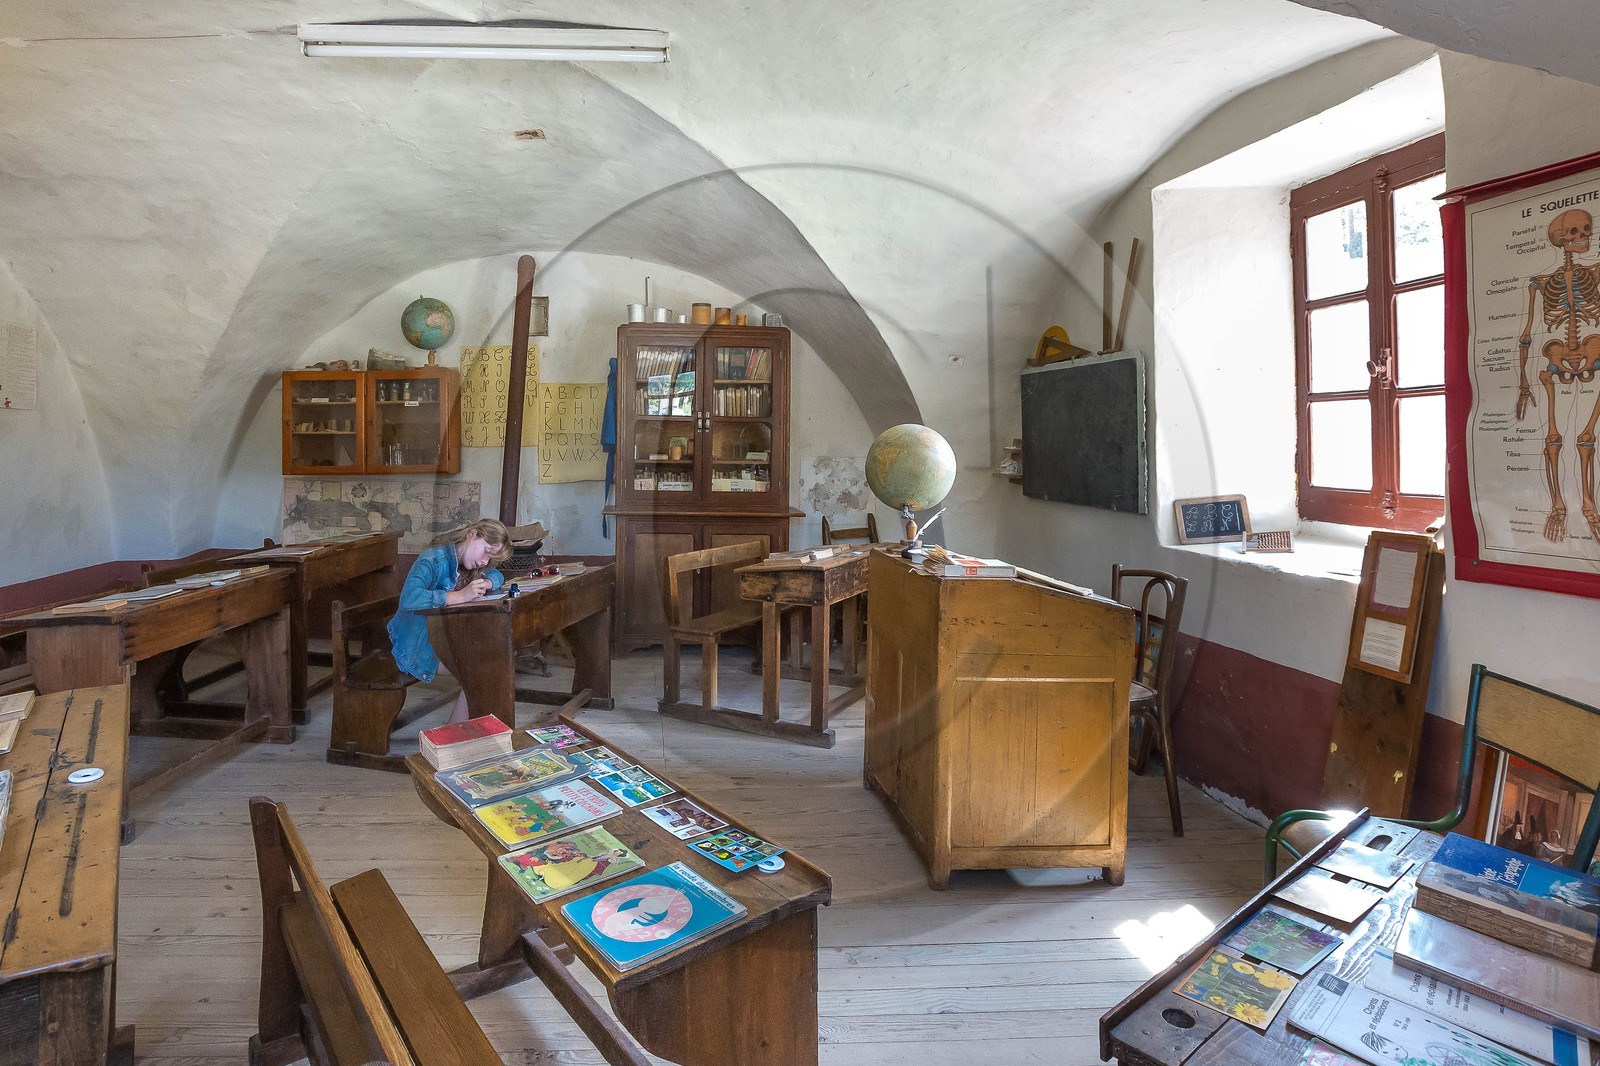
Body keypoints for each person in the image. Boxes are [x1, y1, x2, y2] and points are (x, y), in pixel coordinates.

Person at [388, 518, 511, 721]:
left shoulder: (469, 565)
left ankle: (464, 736)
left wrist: (488, 582)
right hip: (416, 647)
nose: (485, 561)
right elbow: (409, 597)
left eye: (491, 558)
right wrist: (458, 596)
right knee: (481, 672)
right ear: (473, 534)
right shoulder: (432, 559)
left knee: (494, 664)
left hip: (444, 640)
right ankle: (452, 740)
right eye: (486, 551)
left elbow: (498, 575)